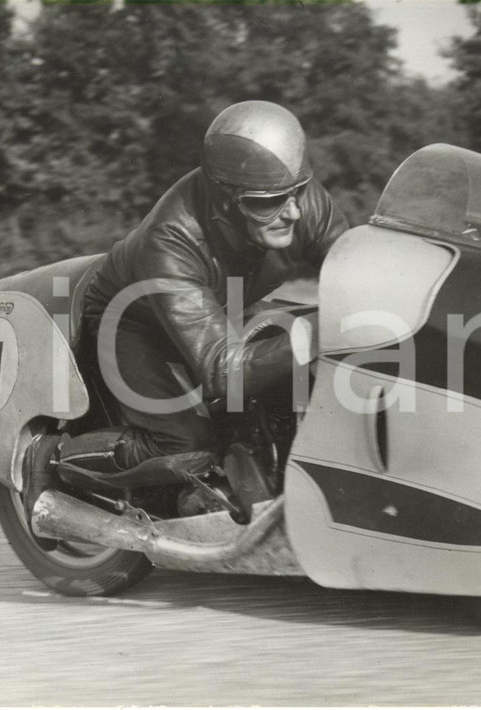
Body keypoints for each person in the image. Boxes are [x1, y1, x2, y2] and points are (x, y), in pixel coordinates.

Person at [22, 100, 349, 535]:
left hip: (222, 303)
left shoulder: (296, 195)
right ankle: (52, 460)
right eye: (268, 203)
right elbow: (224, 369)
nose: (292, 212)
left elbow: (355, 278)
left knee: (312, 362)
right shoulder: (171, 240)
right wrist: (321, 331)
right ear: (226, 200)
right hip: (134, 323)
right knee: (188, 445)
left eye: (296, 193)